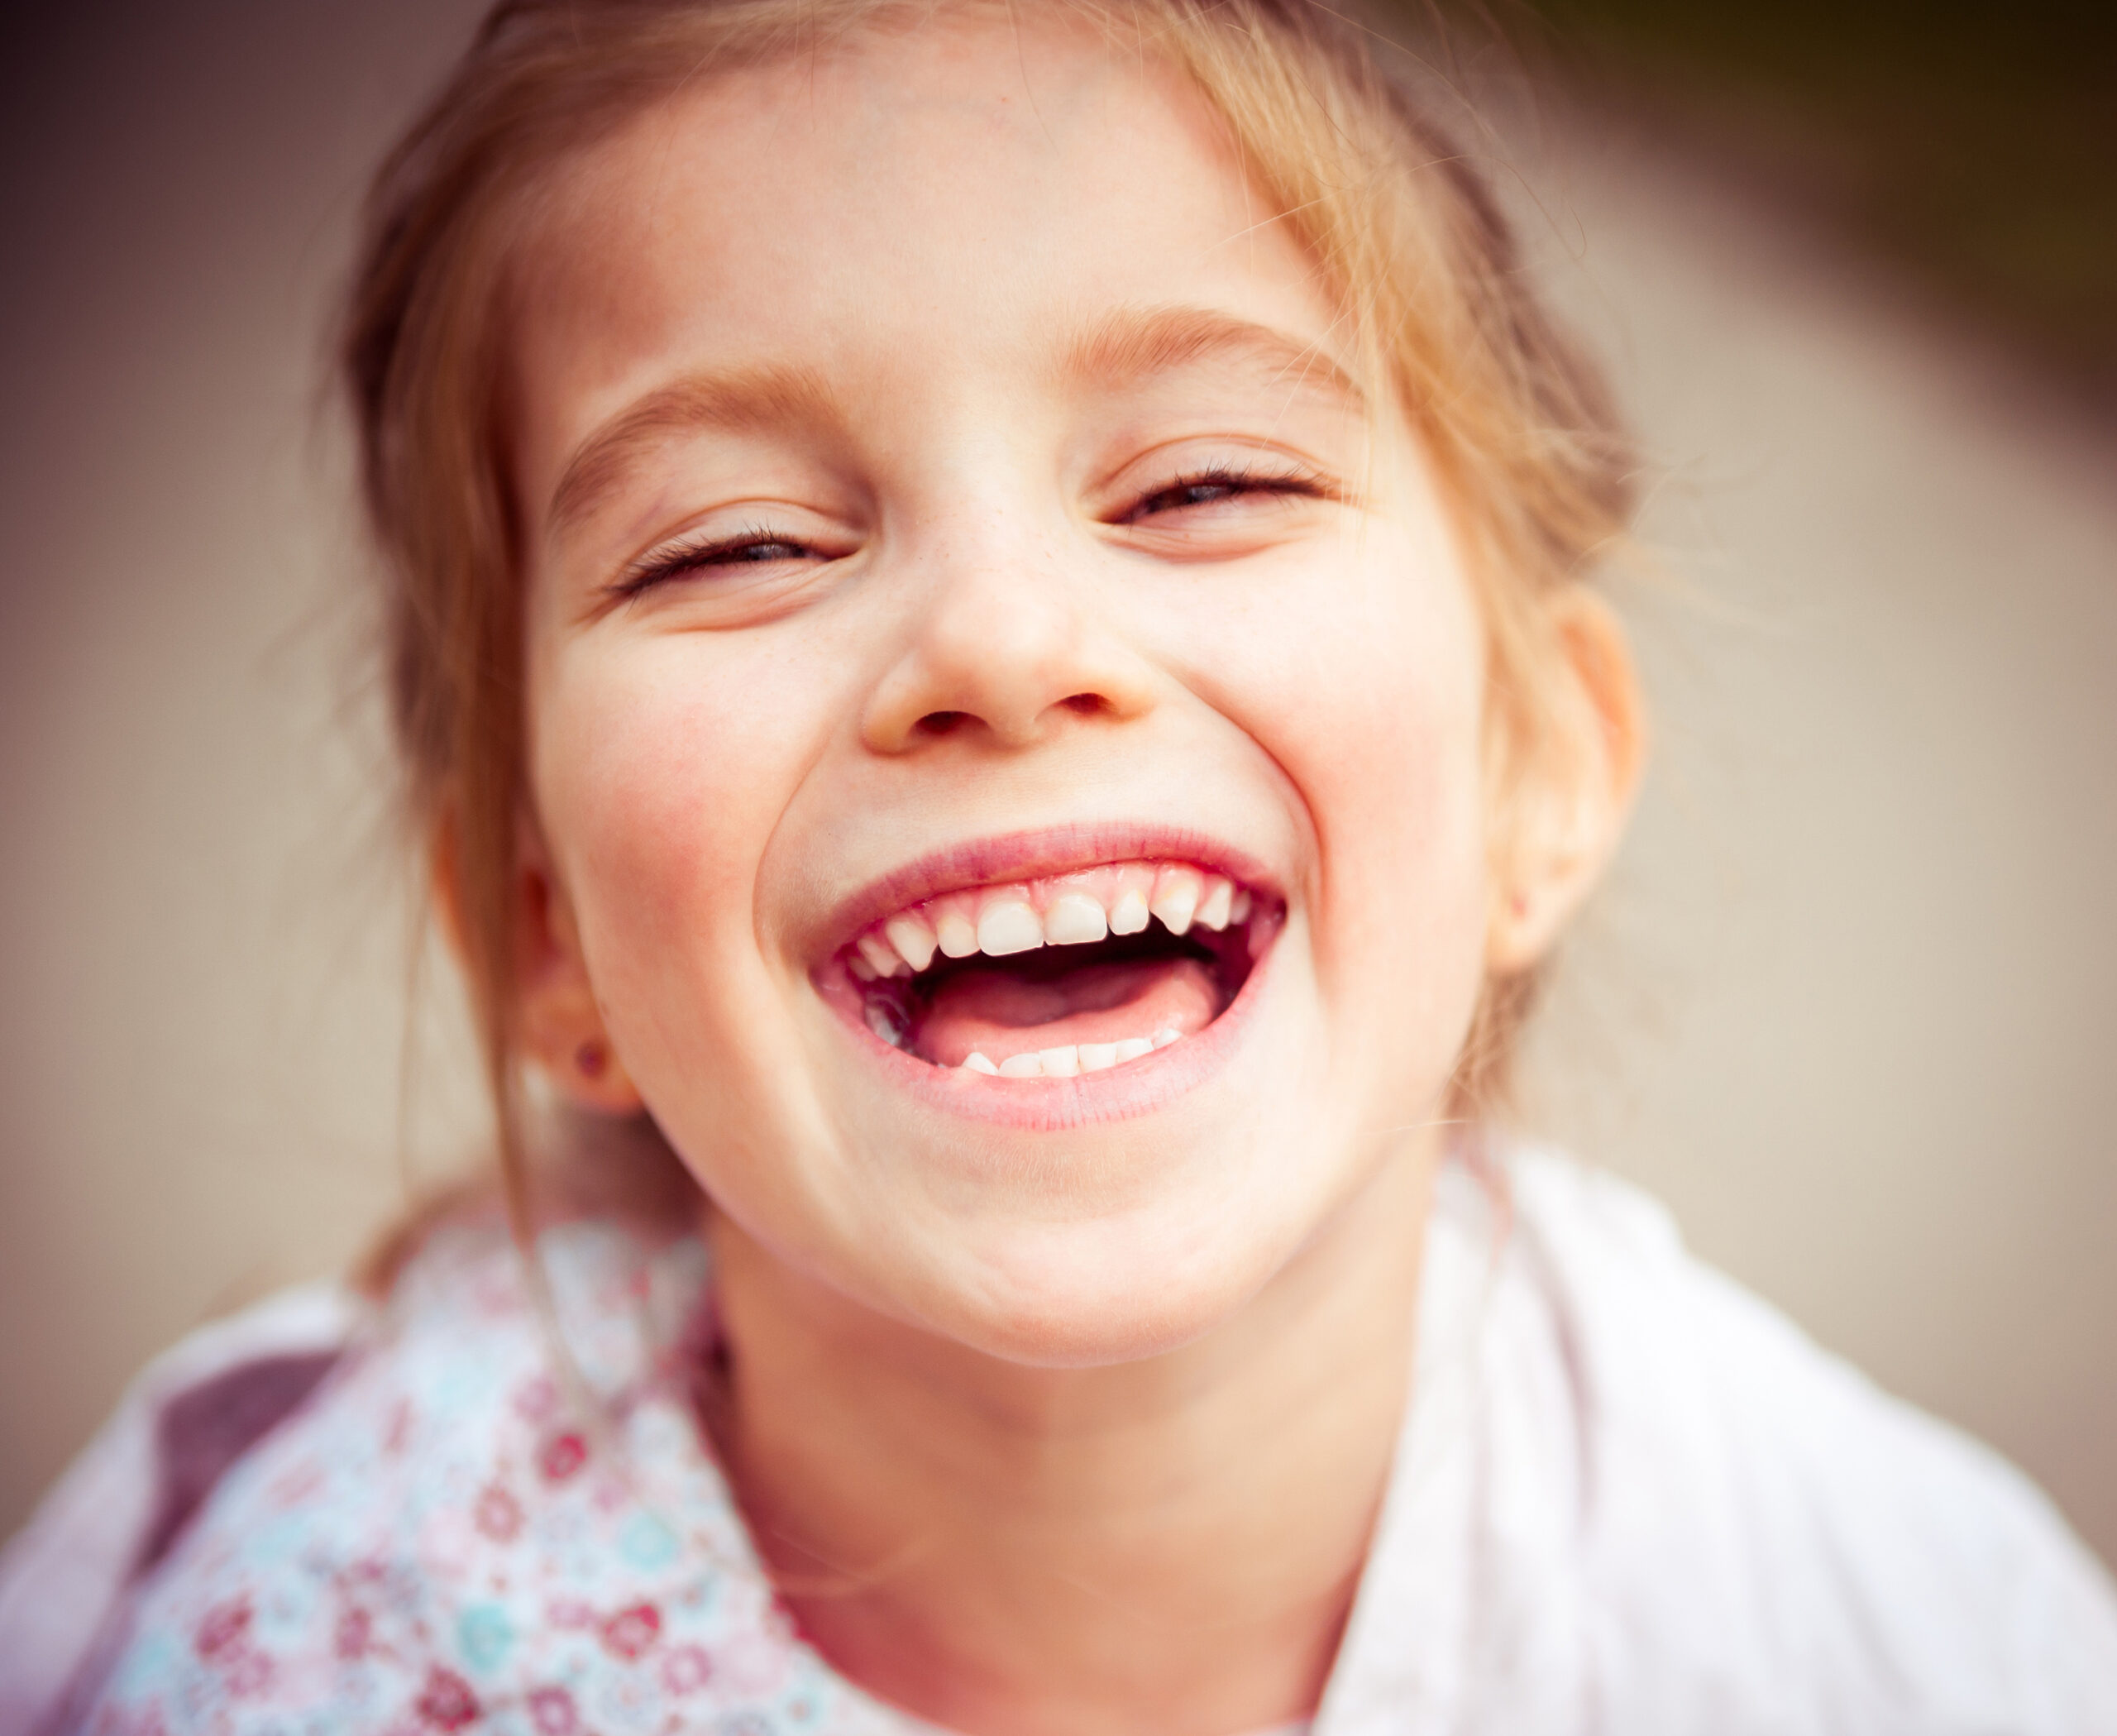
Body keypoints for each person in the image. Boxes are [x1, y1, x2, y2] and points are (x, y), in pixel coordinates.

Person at [4, 1, 2115, 1730]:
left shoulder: (1881, 1643)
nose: (1003, 648)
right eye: (740, 542)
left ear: (1534, 768)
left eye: (1201, 481)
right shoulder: (304, 1658)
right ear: (549, 936)